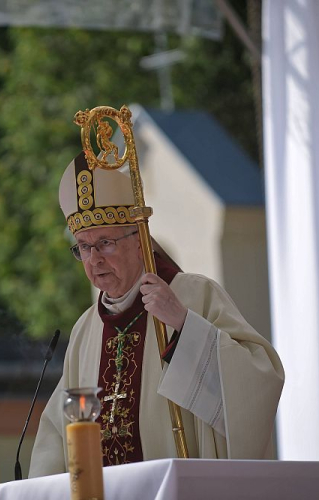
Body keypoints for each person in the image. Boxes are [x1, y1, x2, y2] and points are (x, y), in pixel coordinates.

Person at [28, 153, 284, 477]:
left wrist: (183, 324)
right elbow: (57, 433)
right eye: (83, 247)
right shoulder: (85, 329)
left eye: (105, 242)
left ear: (138, 239)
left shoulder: (193, 295)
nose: (94, 259)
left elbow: (260, 379)